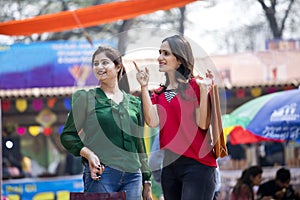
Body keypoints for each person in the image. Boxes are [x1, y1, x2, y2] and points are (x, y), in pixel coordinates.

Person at [60, 46, 152, 200]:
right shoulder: (85, 98)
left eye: (104, 63)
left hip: (133, 176)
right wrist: (88, 154)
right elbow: (68, 135)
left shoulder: (134, 102)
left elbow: (139, 142)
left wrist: (146, 180)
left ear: (118, 67)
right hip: (101, 173)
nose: (99, 67)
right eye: (95, 64)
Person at [135, 34, 218, 200]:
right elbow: (152, 122)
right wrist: (144, 87)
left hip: (198, 165)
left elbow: (203, 124)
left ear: (179, 60)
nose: (160, 57)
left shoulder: (196, 85)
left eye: (166, 53)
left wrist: (203, 90)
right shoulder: (160, 93)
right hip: (170, 167)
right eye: (160, 52)